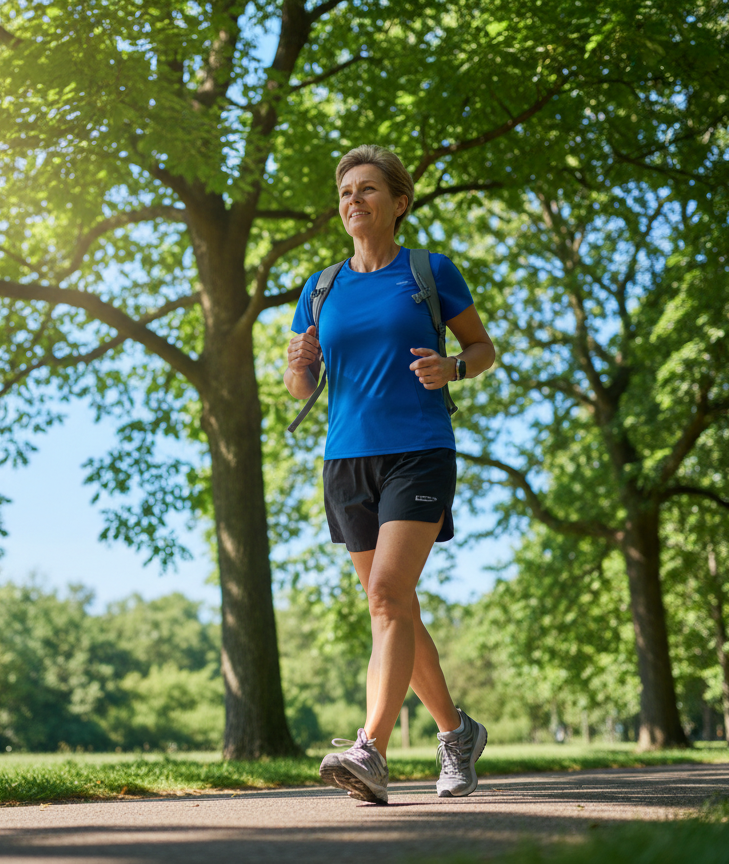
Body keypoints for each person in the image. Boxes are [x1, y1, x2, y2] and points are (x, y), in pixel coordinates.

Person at [285, 144, 496, 805]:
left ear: (398, 203)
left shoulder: (429, 272)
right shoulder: (320, 287)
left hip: (419, 450)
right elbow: (300, 388)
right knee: (394, 606)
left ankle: (369, 749)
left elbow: (481, 348)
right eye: (346, 191)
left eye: (368, 189)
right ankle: (456, 733)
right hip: (346, 460)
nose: (353, 200)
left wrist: (453, 368)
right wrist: (298, 362)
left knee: (385, 595)